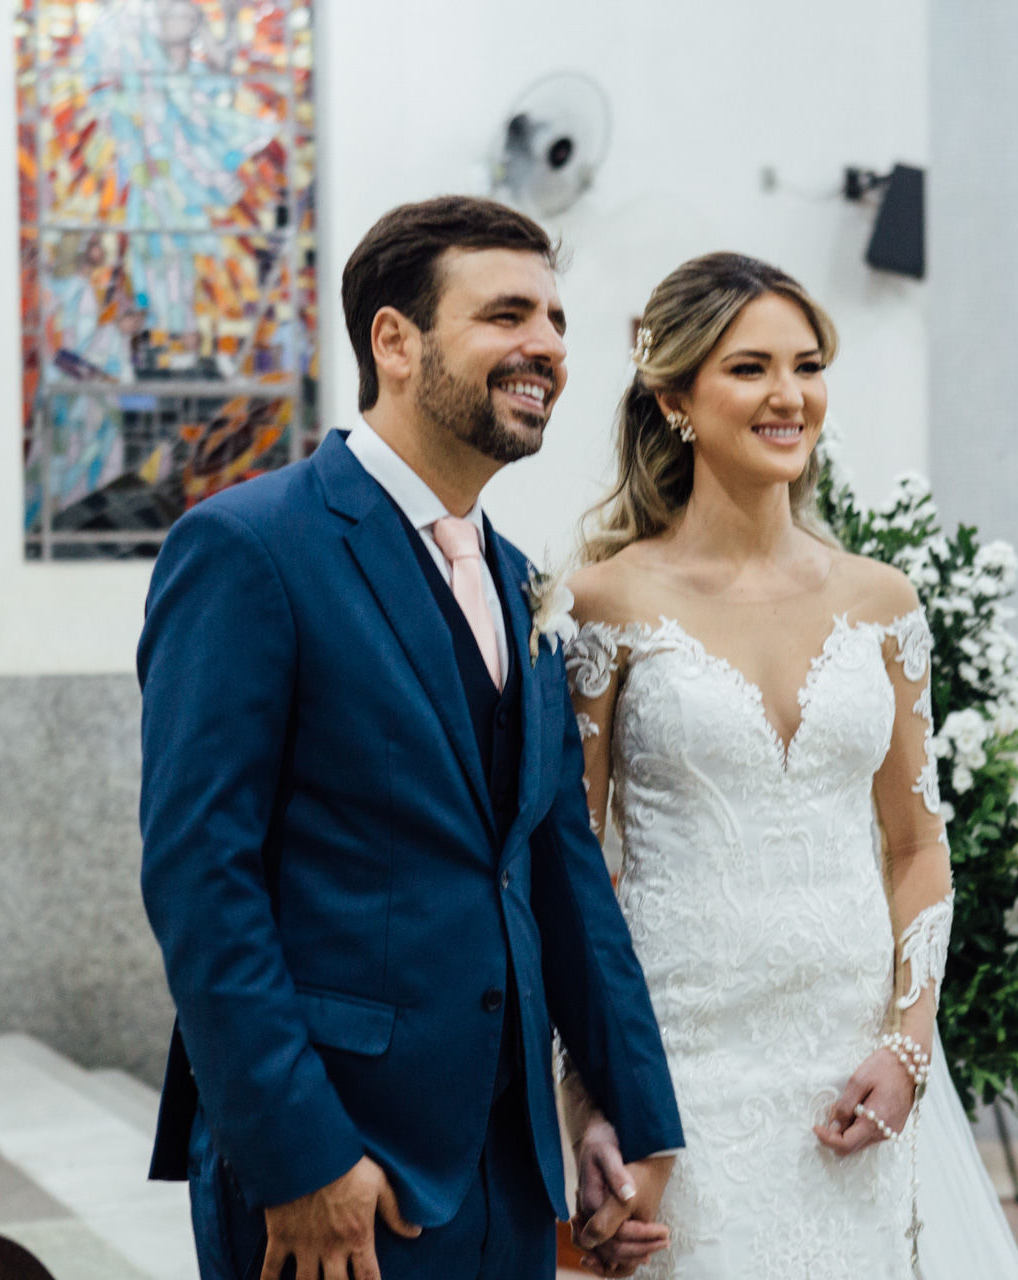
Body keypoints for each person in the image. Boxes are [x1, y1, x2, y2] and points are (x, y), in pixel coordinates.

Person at [136, 195, 685, 1280]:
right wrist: (301, 1157)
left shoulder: (526, 578)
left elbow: (559, 860)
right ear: (395, 339)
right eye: (508, 314)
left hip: (510, 1166)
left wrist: (625, 1112)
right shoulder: (251, 548)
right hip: (340, 1158)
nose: (548, 348)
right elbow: (203, 878)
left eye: (559, 322)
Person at [558, 253, 1018, 1278]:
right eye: (750, 368)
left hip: (850, 1066)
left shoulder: (882, 600)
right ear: (675, 396)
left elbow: (916, 845)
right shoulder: (605, 603)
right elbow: (574, 865)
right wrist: (588, 1093)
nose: (789, 395)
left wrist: (907, 1044)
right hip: (680, 1060)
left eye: (807, 365)